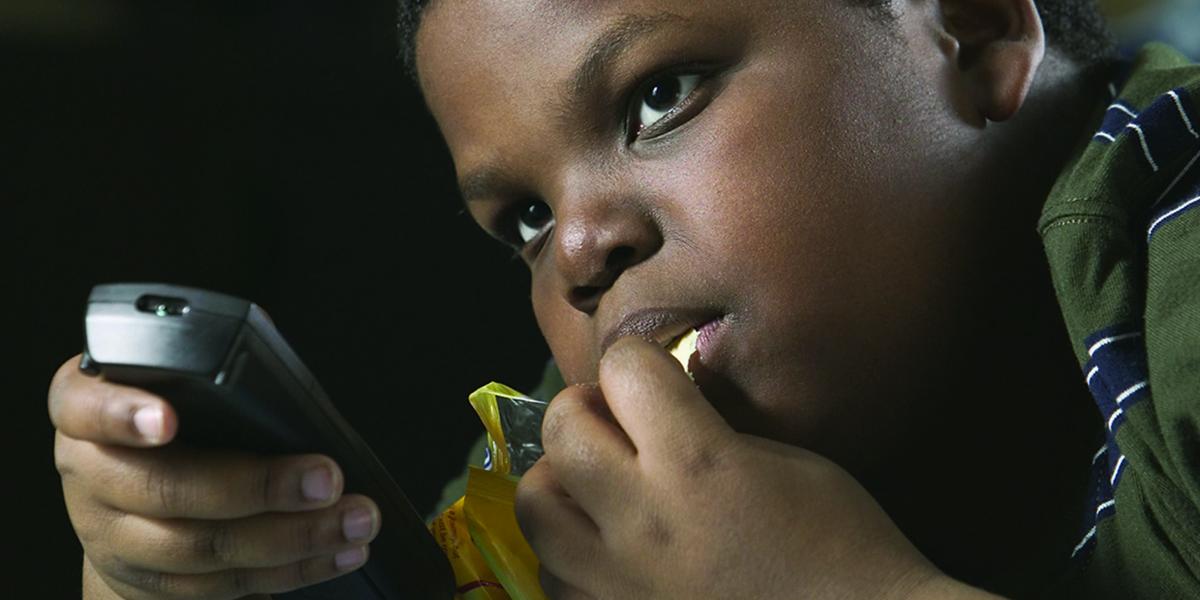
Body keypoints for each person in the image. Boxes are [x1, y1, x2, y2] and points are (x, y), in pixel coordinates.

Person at [49, 0, 1200, 598]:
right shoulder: (618, 460)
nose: (582, 254)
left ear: (977, 25)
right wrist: (169, 577)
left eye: (660, 96)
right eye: (526, 222)